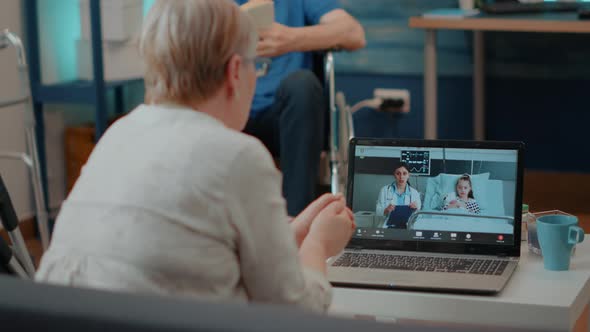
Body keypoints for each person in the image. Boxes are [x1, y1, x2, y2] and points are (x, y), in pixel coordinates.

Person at [35, 0, 355, 313]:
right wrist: (319, 244)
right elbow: (293, 314)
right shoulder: (238, 156)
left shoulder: (118, 133)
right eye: (254, 65)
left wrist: (291, 233)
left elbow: (184, 241)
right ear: (234, 72)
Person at [235, 0, 366, 216]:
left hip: (286, 118)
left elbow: (354, 33)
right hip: (227, 111)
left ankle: (297, 220)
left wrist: (291, 39)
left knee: (303, 84)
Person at [375, 162, 422, 228]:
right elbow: (377, 211)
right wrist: (386, 210)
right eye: (398, 173)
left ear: (408, 175)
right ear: (394, 175)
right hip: (388, 226)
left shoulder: (414, 193)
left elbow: (418, 216)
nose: (401, 177)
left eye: (404, 173)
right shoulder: (385, 190)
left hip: (407, 227)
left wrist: (415, 210)